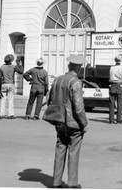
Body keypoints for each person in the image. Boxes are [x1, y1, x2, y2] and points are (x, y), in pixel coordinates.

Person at [43, 55, 88, 189]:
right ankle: (72, 183)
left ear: (69, 66)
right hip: (73, 123)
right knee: (73, 153)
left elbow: (49, 99)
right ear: (78, 68)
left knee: (60, 150)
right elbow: (78, 108)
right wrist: (84, 124)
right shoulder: (76, 82)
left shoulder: (58, 79)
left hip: (59, 121)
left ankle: (56, 183)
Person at [0, 54, 23, 119]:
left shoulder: (2, 67)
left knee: (3, 99)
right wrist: (20, 64)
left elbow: (0, 78)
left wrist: (0, 87)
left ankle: (1, 114)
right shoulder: (13, 66)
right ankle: (10, 114)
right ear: (11, 60)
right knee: (10, 99)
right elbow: (21, 72)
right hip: (11, 84)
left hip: (4, 84)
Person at [108, 55, 122, 124]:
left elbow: (110, 76)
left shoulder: (111, 68)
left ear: (115, 60)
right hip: (120, 85)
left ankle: (111, 120)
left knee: (111, 103)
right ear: (120, 61)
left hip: (112, 85)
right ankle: (118, 120)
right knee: (119, 103)